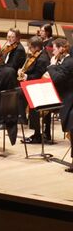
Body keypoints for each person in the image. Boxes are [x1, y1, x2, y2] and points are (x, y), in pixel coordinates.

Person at [46, 39, 73, 172]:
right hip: (66, 100)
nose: (53, 51)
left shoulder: (69, 62)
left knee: (72, 131)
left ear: (62, 49)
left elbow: (57, 78)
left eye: (55, 48)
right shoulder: (64, 62)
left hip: (70, 101)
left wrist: (51, 66)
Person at [19, 37, 50, 144]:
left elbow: (38, 76)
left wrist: (26, 77)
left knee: (20, 96)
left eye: (30, 47)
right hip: (34, 86)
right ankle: (22, 118)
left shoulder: (42, 59)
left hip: (40, 89)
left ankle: (36, 133)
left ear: (37, 47)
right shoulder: (36, 56)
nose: (29, 49)